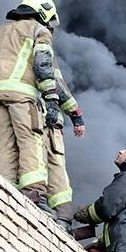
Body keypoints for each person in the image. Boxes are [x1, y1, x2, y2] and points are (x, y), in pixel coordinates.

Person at [0, 0, 61, 207]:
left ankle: (3, 193)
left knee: (3, 147)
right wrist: (51, 98)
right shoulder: (39, 31)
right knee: (30, 141)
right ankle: (35, 195)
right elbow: (43, 65)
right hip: (22, 96)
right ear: (43, 13)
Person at [46, 61, 85, 229]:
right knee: (54, 166)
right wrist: (77, 117)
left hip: (23, 117)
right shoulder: (40, 47)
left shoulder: (6, 46)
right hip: (46, 121)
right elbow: (56, 83)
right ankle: (62, 216)